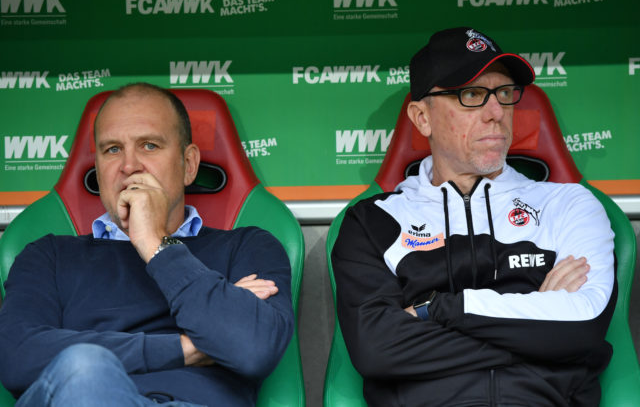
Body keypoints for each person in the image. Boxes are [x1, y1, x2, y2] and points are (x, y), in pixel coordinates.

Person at [332, 27, 616, 406]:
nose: (496, 113)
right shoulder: (372, 221)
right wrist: (538, 329)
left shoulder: (569, 205)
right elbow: (377, 349)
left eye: (504, 94)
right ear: (422, 118)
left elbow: (582, 327)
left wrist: (436, 310)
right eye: (472, 95)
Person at [0, 83, 294, 406]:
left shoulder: (249, 247)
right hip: (85, 395)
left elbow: (253, 348)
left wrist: (155, 244)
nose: (129, 165)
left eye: (149, 146)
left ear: (189, 164)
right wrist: (186, 348)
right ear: (97, 168)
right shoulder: (49, 256)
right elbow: (16, 356)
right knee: (84, 370)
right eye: (112, 149)